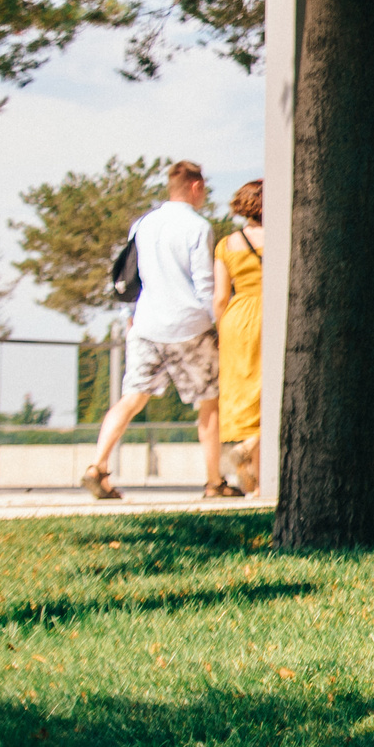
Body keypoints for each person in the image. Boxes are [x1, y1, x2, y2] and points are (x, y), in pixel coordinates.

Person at [83, 160, 231, 500]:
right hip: (188, 325)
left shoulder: (143, 223)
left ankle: (97, 466)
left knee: (131, 398)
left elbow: (134, 273)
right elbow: (204, 284)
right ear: (195, 187)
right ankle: (214, 482)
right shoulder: (198, 226)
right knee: (209, 402)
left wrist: (133, 315)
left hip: (146, 323)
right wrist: (217, 325)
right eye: (204, 188)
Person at [212, 180, 265, 492]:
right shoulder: (284, 237)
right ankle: (248, 448)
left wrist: (222, 328)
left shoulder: (226, 243)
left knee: (245, 390)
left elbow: (219, 296)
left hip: (236, 316)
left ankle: (253, 478)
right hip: (269, 313)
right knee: (275, 389)